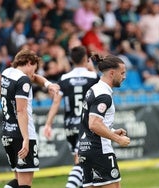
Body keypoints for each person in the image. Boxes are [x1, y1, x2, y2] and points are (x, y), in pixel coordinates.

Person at [0, 49, 60, 188]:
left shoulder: (7, 73)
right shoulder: (23, 80)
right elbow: (21, 111)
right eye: (34, 67)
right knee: (25, 185)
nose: (34, 73)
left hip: (8, 133)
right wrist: (26, 139)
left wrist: (48, 84)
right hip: (22, 134)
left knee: (18, 180)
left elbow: (34, 77)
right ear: (28, 63)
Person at [44, 46, 99, 188]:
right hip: (87, 125)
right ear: (86, 59)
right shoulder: (93, 77)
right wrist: (92, 69)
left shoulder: (64, 78)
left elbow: (56, 103)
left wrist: (48, 124)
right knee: (82, 161)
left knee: (83, 162)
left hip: (70, 125)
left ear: (71, 60)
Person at [78, 53, 131, 188]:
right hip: (100, 151)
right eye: (122, 73)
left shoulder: (94, 89)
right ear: (112, 73)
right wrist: (117, 139)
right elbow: (94, 124)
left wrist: (112, 130)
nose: (124, 77)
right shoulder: (104, 95)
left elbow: (90, 121)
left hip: (85, 149)